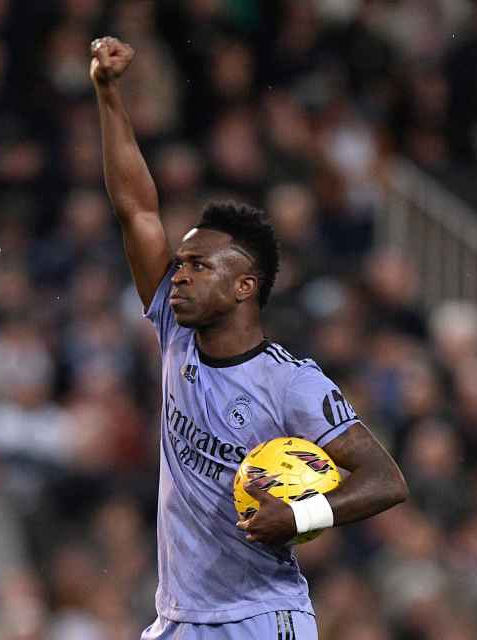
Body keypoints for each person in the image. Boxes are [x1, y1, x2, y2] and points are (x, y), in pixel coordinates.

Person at [90, 36, 408, 640]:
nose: (177, 276)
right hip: (179, 619)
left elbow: (385, 479)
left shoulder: (291, 384)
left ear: (244, 287)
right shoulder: (173, 331)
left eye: (198, 267)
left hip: (261, 619)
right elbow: (136, 208)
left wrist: (301, 514)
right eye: (178, 264)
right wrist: (108, 94)